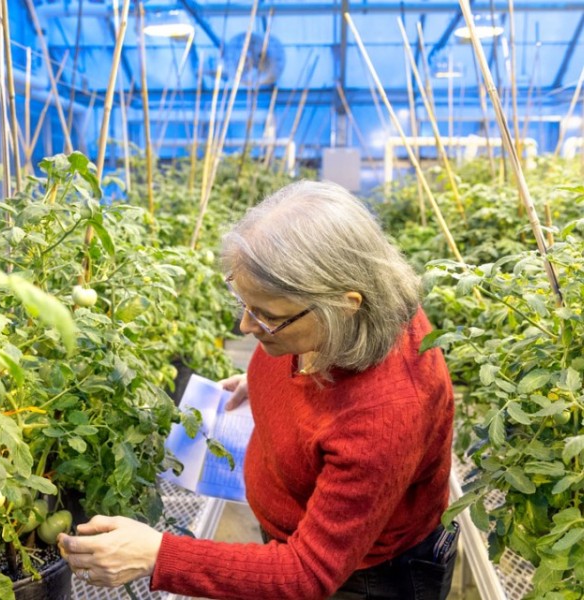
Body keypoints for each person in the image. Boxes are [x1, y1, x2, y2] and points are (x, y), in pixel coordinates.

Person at [58, 180, 458, 600]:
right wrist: (266, 382)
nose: (247, 327)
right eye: (244, 304)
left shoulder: (386, 412)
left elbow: (306, 574)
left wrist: (159, 555)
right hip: (291, 531)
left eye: (267, 317)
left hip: (365, 579)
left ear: (344, 306)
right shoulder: (354, 307)